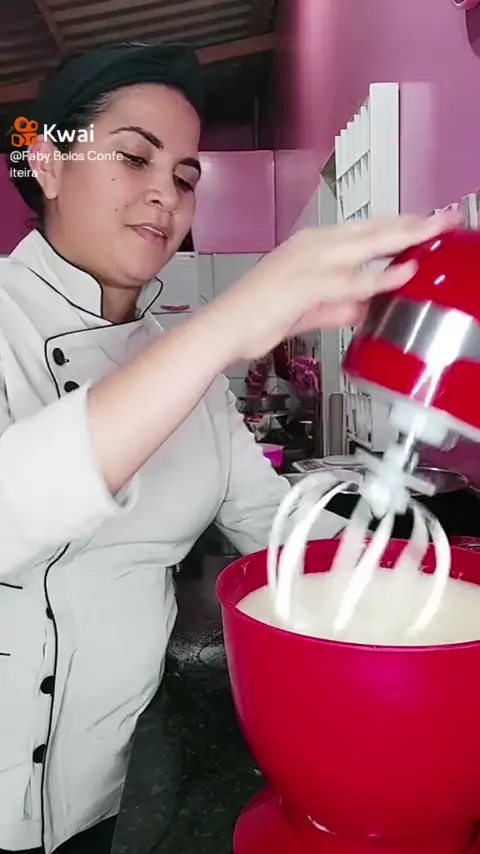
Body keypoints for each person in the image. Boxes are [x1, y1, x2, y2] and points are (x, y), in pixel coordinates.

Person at [0, 40, 457, 854]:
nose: (165, 194)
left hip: (104, 784)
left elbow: (277, 529)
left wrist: (426, 587)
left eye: (184, 177)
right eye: (133, 157)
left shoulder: (187, 372)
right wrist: (226, 325)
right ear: (48, 163)